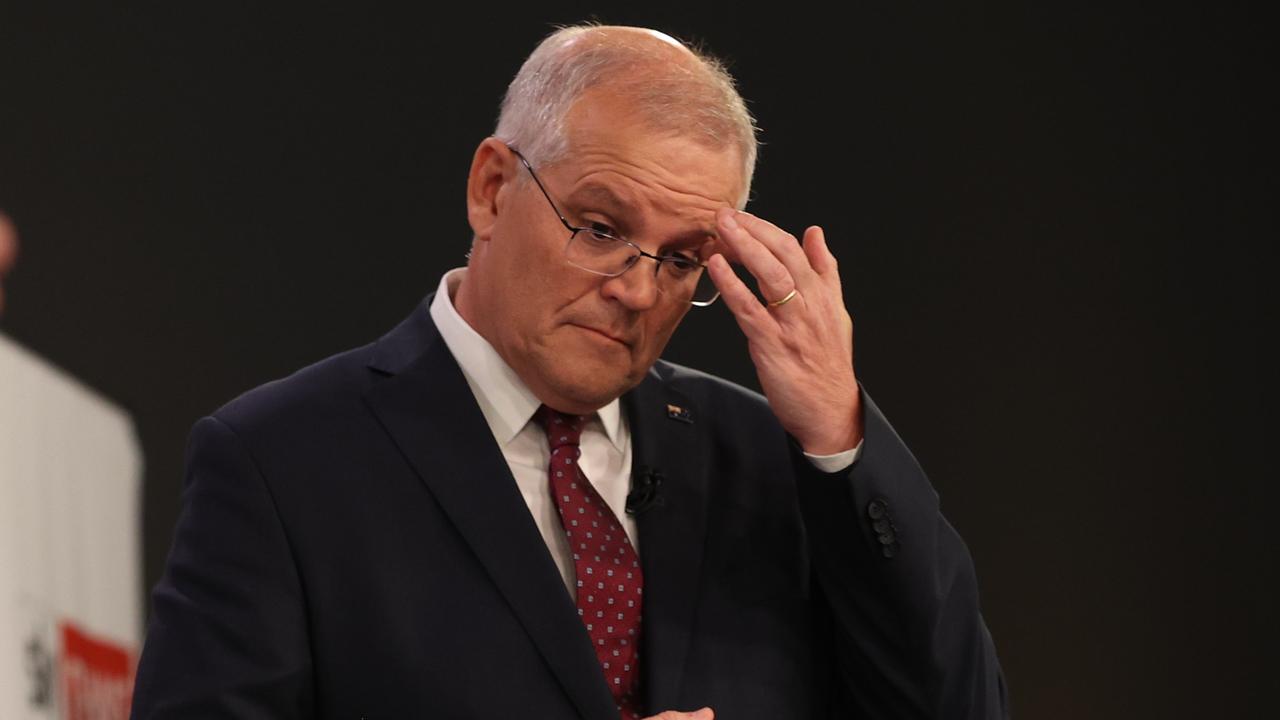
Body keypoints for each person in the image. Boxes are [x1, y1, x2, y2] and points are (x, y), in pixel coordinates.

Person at [131, 25, 1007, 719]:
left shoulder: (773, 463)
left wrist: (839, 435)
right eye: (599, 226)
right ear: (491, 187)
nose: (635, 289)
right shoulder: (284, 461)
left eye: (681, 259)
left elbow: (954, 706)